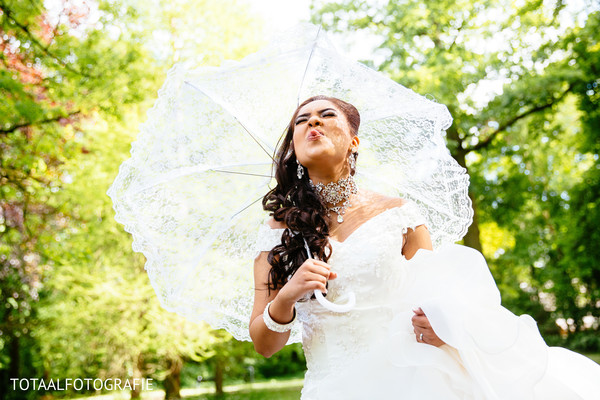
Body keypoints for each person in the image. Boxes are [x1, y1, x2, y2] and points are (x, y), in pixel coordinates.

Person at [249, 95, 600, 399]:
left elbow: (440, 302)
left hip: (411, 380)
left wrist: (441, 325)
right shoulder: (278, 233)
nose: (313, 121)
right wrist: (288, 295)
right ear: (294, 146)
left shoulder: (399, 214)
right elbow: (265, 345)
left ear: (354, 142)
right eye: (301, 120)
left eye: (326, 115)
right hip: (331, 388)